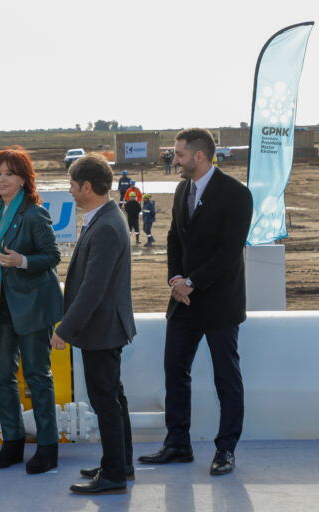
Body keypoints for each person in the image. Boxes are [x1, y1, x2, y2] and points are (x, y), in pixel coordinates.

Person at [138, 128, 253, 476]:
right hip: (183, 302)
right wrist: (175, 279)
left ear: (199, 156)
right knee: (175, 370)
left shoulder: (237, 194)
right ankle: (177, 444)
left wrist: (192, 282)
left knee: (226, 379)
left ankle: (225, 450)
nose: (175, 160)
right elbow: (174, 237)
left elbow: (229, 252)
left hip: (219, 303)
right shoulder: (182, 188)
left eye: (179, 154)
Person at [0, 146, 63, 475]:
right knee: (1, 375)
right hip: (0, 311)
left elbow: (52, 256)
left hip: (32, 306)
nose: (1, 179)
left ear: (24, 179)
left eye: (9, 173)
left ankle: (48, 447)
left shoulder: (34, 214)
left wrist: (21, 261)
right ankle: (12, 442)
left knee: (38, 376)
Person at [51, 153, 136, 495]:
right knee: (113, 397)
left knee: (105, 401)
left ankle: (114, 474)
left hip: (101, 328)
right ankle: (121, 463)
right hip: (106, 326)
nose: (70, 191)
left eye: (72, 185)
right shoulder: (105, 217)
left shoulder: (105, 226)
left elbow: (93, 289)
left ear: (87, 186)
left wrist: (64, 329)